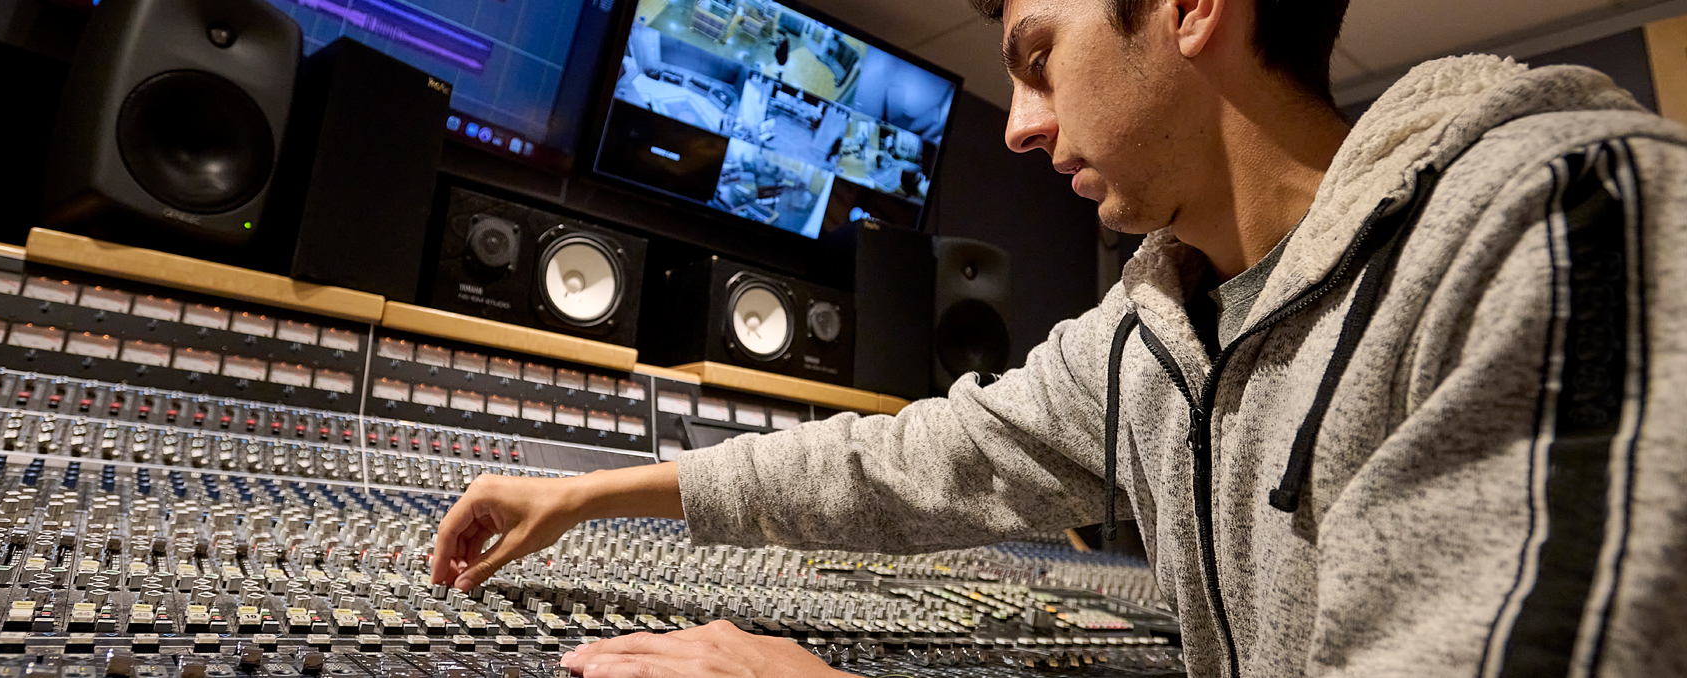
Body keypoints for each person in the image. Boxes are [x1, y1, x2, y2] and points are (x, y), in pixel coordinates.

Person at [432, 0, 1687, 674]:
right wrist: (596, 494)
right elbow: (905, 465)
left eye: (1038, 57)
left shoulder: (1554, 218)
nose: (1019, 127)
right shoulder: (1155, 328)